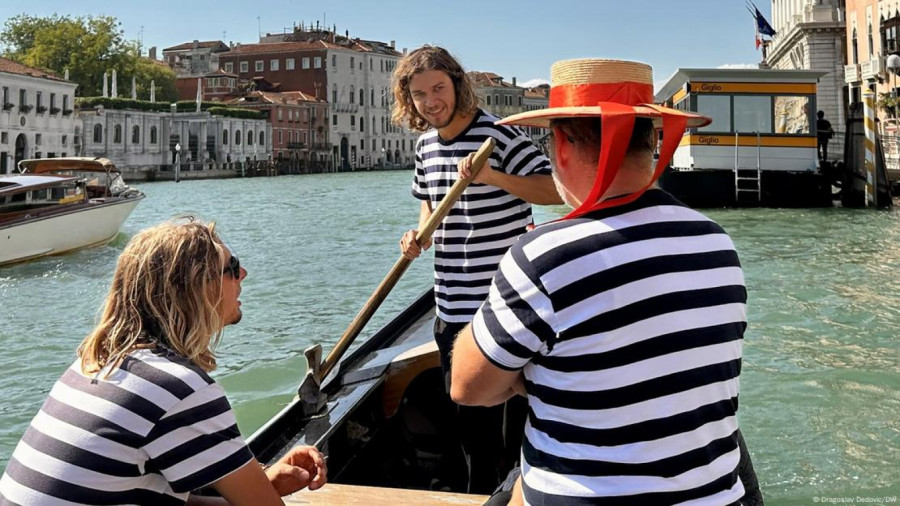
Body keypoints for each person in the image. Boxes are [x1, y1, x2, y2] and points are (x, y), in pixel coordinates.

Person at [451, 58, 762, 504]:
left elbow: (467, 386)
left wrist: (528, 363)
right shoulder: (717, 242)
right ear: (651, 139)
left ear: (560, 147)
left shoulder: (543, 257)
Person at [0, 220, 327, 505]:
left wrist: (265, 484)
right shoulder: (179, 390)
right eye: (232, 266)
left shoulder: (94, 366)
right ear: (197, 288)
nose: (243, 274)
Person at [391, 45, 561, 494]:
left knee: (513, 428)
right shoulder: (425, 146)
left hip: (502, 308)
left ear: (457, 85)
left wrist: (493, 178)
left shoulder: (497, 136)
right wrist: (417, 236)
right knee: (470, 432)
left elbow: (553, 190)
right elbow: (430, 207)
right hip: (450, 307)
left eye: (438, 89)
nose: (431, 102)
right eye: (420, 94)